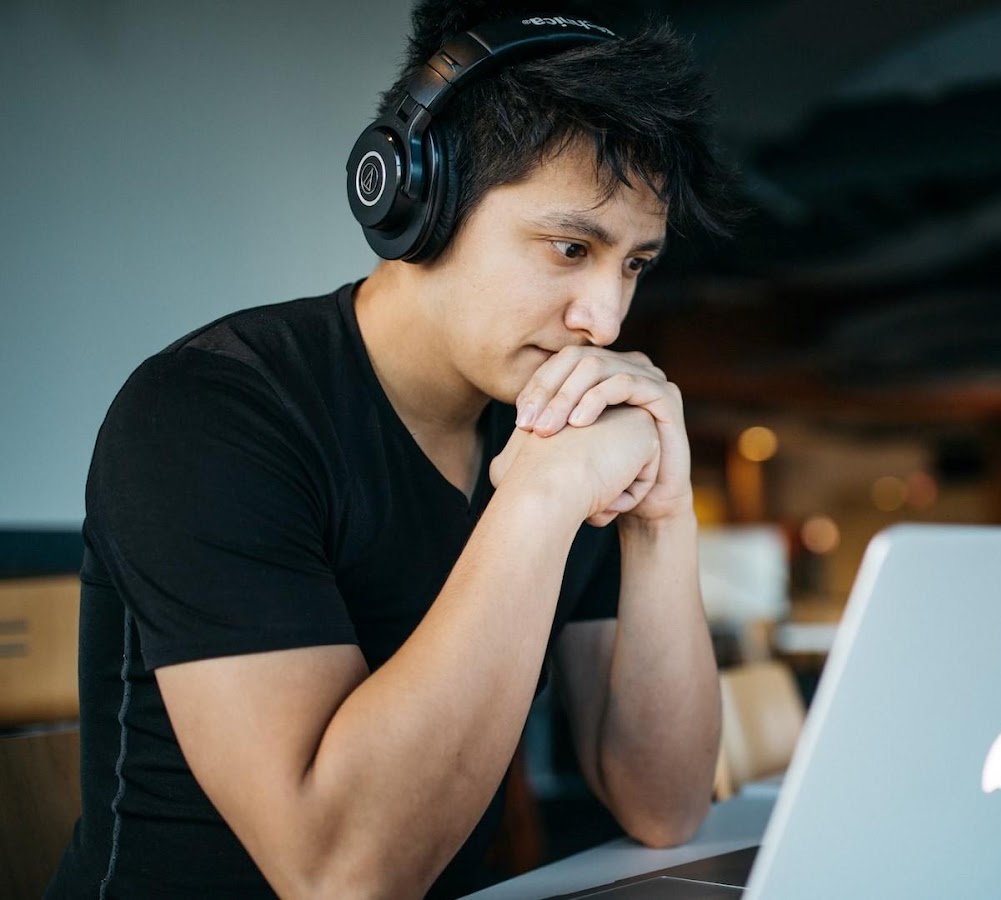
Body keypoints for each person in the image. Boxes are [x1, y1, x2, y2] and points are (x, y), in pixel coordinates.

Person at [48, 2, 736, 897]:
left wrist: (660, 515)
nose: (603, 320)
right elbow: (340, 874)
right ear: (421, 199)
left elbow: (665, 805)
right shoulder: (207, 414)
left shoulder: (563, 422)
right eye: (571, 247)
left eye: (634, 265)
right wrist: (534, 502)